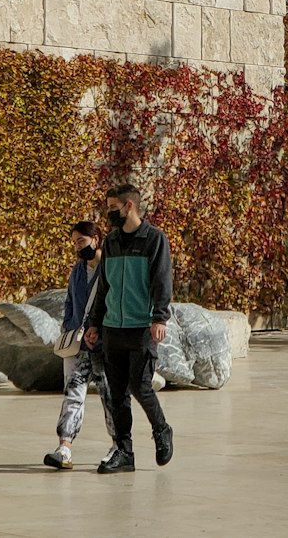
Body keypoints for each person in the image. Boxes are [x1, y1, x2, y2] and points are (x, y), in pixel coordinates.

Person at [84, 182, 174, 474]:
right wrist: (95, 323)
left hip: (141, 328)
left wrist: (159, 318)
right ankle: (124, 452)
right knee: (116, 393)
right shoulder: (110, 242)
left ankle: (161, 429)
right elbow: (104, 287)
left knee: (141, 386)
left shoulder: (154, 240)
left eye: (113, 208)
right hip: (112, 328)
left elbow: (162, 281)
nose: (108, 213)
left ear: (129, 206)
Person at [43, 222, 116, 471]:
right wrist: (69, 327)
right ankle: (64, 447)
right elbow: (71, 301)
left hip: (104, 345)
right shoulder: (77, 269)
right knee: (72, 393)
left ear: (96, 239)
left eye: (81, 241)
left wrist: (101, 332)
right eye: (74, 242)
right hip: (77, 343)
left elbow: (115, 303)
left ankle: (119, 445)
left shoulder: (110, 268)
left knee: (110, 396)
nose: (77, 246)